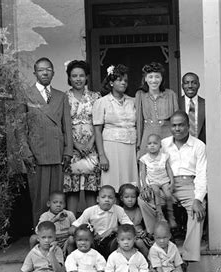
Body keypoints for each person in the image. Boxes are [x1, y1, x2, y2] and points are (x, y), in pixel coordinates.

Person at [139, 111, 207, 263]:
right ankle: (157, 238)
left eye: (181, 125)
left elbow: (202, 174)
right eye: (174, 125)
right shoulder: (162, 144)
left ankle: (189, 257)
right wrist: (148, 186)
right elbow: (149, 164)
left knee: (197, 210)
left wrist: (198, 198)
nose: (177, 129)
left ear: (188, 126)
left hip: (188, 183)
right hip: (163, 183)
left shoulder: (198, 145)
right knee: (144, 200)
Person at [17, 57, 73, 226]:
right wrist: (26, 152)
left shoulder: (61, 96)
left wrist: (68, 151)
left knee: (57, 198)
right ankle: (40, 237)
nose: (45, 72)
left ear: (53, 72)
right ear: (35, 73)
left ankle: (58, 235)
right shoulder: (25, 94)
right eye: (41, 70)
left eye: (48, 69)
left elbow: (67, 127)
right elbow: (19, 127)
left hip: (57, 152)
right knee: (39, 198)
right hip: (36, 153)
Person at [63, 60, 102, 215]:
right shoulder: (63, 97)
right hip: (71, 146)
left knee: (91, 188)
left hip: (92, 147)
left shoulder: (95, 97)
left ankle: (93, 224)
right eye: (74, 76)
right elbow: (62, 124)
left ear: (86, 77)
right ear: (69, 78)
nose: (78, 79)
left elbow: (99, 122)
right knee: (72, 189)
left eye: (81, 75)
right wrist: (75, 144)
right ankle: (72, 224)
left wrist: (91, 143)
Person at [93, 64, 138, 191]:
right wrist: (102, 155)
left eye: (126, 80)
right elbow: (97, 130)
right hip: (111, 147)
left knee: (130, 183)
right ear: (111, 83)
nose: (123, 83)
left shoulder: (132, 101)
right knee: (112, 183)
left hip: (130, 146)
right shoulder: (102, 102)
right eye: (120, 80)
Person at [73, 185, 133, 257]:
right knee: (73, 239)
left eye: (110, 197)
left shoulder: (118, 209)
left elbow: (130, 227)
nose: (107, 200)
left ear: (114, 200)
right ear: (98, 199)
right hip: (94, 240)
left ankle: (118, 262)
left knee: (120, 240)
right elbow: (72, 228)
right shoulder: (90, 211)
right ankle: (73, 261)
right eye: (103, 197)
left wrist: (113, 229)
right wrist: (89, 232)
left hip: (111, 240)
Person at [135, 62, 179, 156]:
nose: (154, 80)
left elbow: (176, 121)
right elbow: (139, 121)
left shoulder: (170, 94)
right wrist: (138, 144)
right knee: (148, 167)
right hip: (148, 137)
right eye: (150, 77)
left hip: (167, 137)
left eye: (157, 77)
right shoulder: (140, 95)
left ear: (162, 78)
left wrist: (177, 141)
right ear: (145, 79)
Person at [139, 133, 176, 227]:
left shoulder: (164, 156)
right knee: (156, 192)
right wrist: (144, 185)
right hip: (153, 181)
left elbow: (169, 169)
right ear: (146, 146)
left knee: (168, 195)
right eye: (149, 143)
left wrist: (172, 181)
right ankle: (160, 214)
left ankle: (171, 216)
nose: (152, 145)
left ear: (160, 146)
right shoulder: (144, 159)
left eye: (155, 143)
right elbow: (143, 173)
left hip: (164, 180)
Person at [30, 191, 76, 255]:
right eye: (55, 202)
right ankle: (34, 256)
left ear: (65, 205)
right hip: (50, 240)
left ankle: (70, 258)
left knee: (72, 239)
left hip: (66, 241)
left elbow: (76, 229)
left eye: (61, 203)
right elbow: (38, 231)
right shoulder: (45, 216)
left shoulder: (69, 214)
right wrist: (55, 219)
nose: (58, 205)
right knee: (33, 238)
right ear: (49, 204)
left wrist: (68, 240)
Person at [118, 183, 153, 257]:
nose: (130, 200)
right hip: (125, 238)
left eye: (133, 197)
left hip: (141, 237)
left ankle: (149, 260)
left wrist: (145, 232)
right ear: (121, 198)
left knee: (139, 242)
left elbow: (148, 224)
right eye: (126, 197)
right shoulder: (120, 211)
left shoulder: (140, 210)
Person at [178, 72, 206, 142]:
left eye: (194, 83)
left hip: (201, 147)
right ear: (182, 86)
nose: (190, 86)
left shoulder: (206, 104)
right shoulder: (176, 103)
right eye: (186, 83)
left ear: (199, 85)